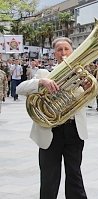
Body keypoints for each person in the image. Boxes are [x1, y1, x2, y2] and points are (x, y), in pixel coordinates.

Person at [16, 37, 88, 199]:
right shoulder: (44, 73)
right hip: (50, 130)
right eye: (59, 50)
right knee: (49, 177)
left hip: (74, 130)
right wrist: (41, 82)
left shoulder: (82, 72)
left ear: (72, 51)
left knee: (75, 174)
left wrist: (88, 87)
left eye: (66, 49)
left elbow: (86, 102)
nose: (63, 53)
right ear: (54, 53)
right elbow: (20, 89)